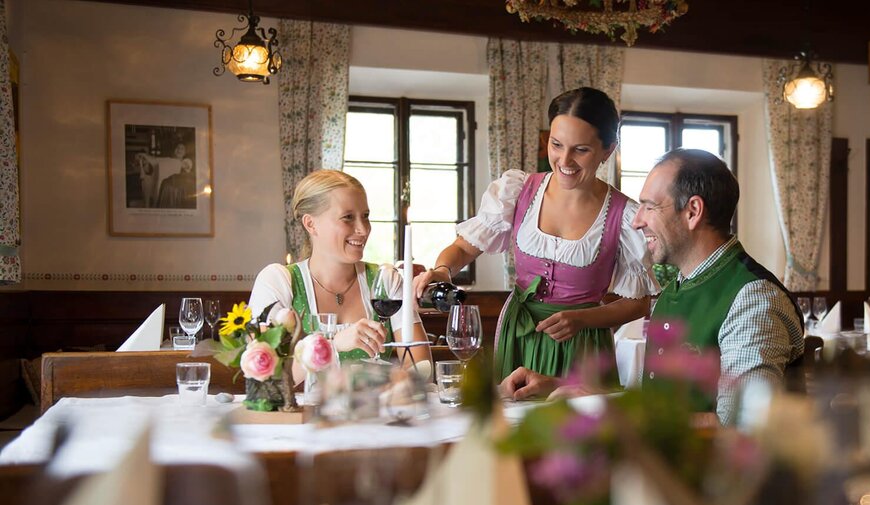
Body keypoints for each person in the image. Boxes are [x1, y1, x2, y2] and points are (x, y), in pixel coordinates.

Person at [502, 148, 806, 425]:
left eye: (649, 207)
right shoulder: (674, 290)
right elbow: (651, 402)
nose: (636, 222)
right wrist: (562, 387)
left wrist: (615, 417)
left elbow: (740, 426)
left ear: (692, 212)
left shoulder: (752, 299)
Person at [413, 87, 657, 382]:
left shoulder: (626, 215)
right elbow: (465, 248)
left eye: (581, 149)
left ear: (608, 149)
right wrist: (442, 270)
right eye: (556, 144)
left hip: (582, 348)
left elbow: (639, 302)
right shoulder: (518, 191)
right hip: (519, 335)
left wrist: (583, 319)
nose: (564, 160)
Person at [249, 169, 430, 379]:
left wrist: (398, 386)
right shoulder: (278, 281)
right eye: (348, 218)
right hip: (302, 412)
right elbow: (267, 382)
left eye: (366, 216)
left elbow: (420, 368)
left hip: (370, 410)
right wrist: (333, 345)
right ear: (310, 224)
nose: (363, 229)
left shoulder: (385, 280)